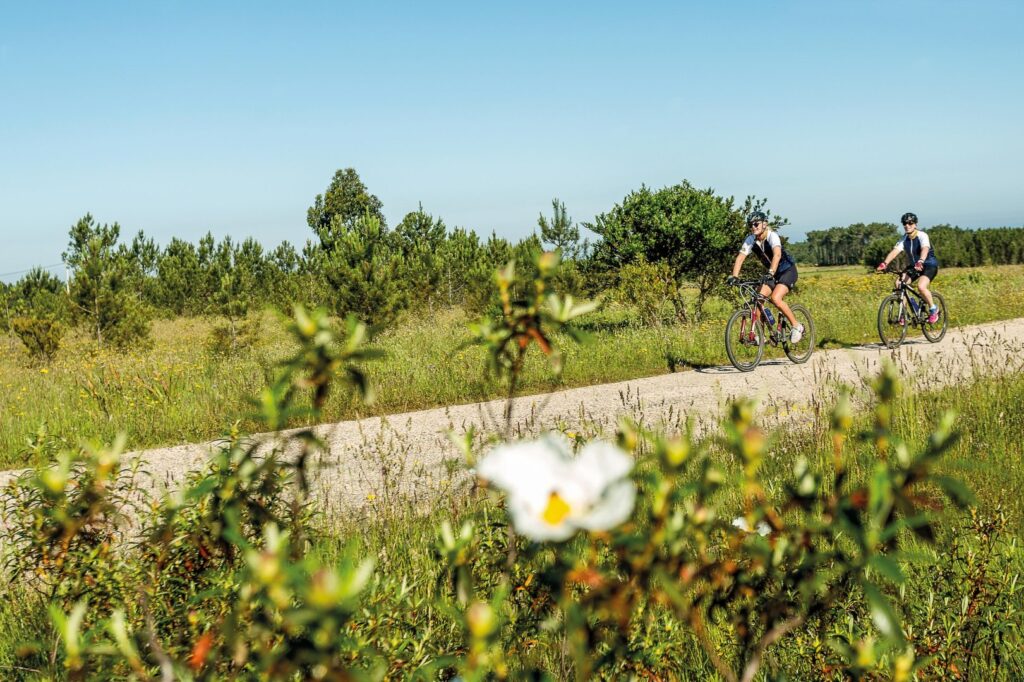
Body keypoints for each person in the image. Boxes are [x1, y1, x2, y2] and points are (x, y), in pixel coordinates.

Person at [727, 211, 804, 343]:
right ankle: (761, 336)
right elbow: (740, 258)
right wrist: (734, 277)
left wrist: (770, 272)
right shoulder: (751, 239)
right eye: (751, 225)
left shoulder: (772, 236)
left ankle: (797, 326)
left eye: (756, 224)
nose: (753, 227)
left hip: (787, 270)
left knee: (775, 298)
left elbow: (777, 255)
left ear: (764, 224)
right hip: (772, 274)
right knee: (758, 300)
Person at [876, 212, 940, 323]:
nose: (907, 225)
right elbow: (895, 252)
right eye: (905, 223)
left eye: (910, 223)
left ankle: (933, 309)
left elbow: (925, 249)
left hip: (929, 264)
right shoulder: (904, 239)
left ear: (915, 224)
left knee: (921, 287)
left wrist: (921, 261)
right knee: (899, 284)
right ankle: (903, 314)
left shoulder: (922, 235)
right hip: (914, 266)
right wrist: (885, 263)